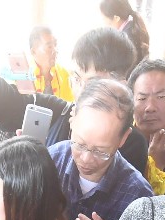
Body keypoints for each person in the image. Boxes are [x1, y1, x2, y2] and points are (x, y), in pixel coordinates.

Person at [51, 79, 154, 220]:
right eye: (79, 143)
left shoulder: (137, 196)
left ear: (124, 138)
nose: (85, 159)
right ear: (72, 120)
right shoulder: (52, 160)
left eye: (100, 151)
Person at [44, 30, 149, 174]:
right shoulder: (60, 113)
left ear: (120, 86)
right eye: (76, 79)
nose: (81, 92)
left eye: (93, 83)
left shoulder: (133, 144)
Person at [130, 60, 165, 194]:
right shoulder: (120, 142)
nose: (150, 107)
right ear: (130, 101)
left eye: (160, 96)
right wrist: (155, 165)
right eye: (142, 98)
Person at [29, 25, 75, 101]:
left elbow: (69, 105)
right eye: (49, 47)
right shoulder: (23, 76)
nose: (55, 50)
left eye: (55, 45)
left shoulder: (64, 73)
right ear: (33, 51)